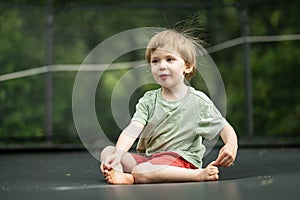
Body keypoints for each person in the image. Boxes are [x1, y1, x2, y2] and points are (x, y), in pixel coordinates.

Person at [100, 29, 238, 184]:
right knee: (108, 151)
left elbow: (225, 129)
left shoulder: (198, 101)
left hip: (182, 163)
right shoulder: (148, 100)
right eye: (155, 61)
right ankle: (119, 174)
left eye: (170, 59)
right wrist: (117, 156)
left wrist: (231, 146)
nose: (161, 66)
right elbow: (133, 129)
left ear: (187, 66)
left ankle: (198, 175)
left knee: (141, 170)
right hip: (152, 160)